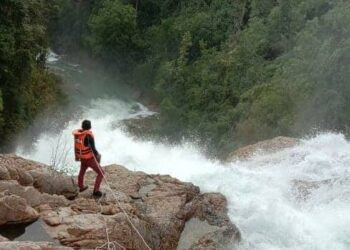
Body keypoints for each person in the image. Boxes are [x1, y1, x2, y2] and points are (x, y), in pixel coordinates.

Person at [73, 120, 104, 197]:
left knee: (82, 172)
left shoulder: (78, 135)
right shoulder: (88, 136)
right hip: (89, 159)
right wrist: (98, 155)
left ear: (82, 126)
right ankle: (96, 191)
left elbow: (75, 146)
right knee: (101, 173)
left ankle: (81, 187)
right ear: (90, 127)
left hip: (82, 158)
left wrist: (76, 157)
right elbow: (93, 149)